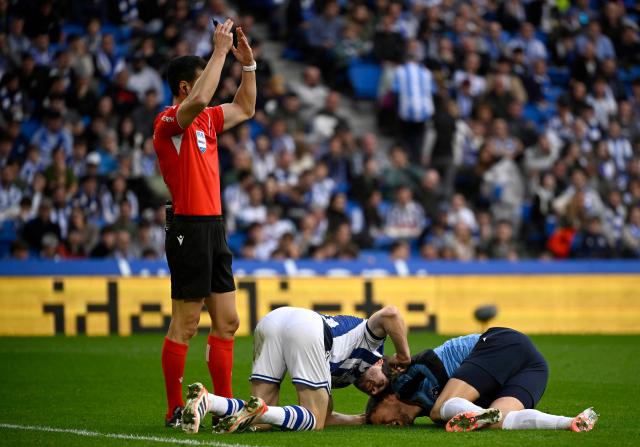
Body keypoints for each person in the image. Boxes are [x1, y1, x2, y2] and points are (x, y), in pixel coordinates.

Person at [152, 19, 257, 428]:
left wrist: (247, 66)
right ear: (184, 88)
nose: (210, 90)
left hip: (213, 225)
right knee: (188, 322)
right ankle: (175, 409)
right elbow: (200, 100)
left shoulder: (209, 121)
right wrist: (218, 52)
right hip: (187, 228)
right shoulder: (168, 123)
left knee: (228, 322)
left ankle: (225, 410)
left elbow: (246, 107)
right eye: (202, 83)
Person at [181, 305, 412, 434]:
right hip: (309, 327)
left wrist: (358, 419)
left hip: (274, 320)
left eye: (372, 392)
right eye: (379, 383)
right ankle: (248, 408)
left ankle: (208, 401)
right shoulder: (374, 347)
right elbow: (391, 313)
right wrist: (404, 354)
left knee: (261, 419)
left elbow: (327, 414)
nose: (372, 388)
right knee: (313, 421)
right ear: (381, 364)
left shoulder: (344, 377)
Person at [362, 327, 598, 433]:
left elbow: (427, 358)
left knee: (440, 411)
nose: (389, 425)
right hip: (532, 368)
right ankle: (573, 422)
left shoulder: (404, 384)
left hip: (499, 343)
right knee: (500, 420)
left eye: (382, 420)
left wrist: (402, 361)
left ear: (388, 399)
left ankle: (483, 412)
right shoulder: (432, 409)